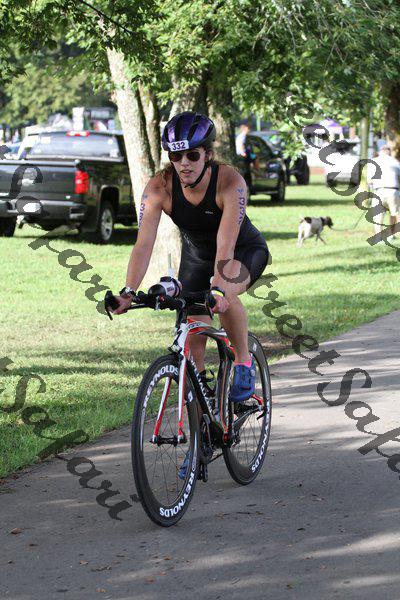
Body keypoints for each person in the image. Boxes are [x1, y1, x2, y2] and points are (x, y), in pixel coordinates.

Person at [113, 111, 269, 404]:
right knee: (191, 336)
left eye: (192, 155)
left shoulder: (230, 182)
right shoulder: (159, 187)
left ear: (207, 154)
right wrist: (128, 291)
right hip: (197, 257)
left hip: (241, 250)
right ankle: (203, 407)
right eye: (176, 156)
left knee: (224, 295)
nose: (184, 163)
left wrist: (218, 289)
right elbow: (143, 244)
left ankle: (243, 361)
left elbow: (226, 244)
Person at [368, 145, 400, 239]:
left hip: (379, 191)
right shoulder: (395, 162)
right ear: (389, 152)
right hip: (393, 191)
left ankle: (378, 236)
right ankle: (391, 234)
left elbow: (369, 180)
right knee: (394, 213)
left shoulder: (373, 161)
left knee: (378, 215)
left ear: (380, 152)